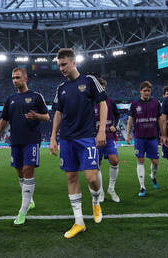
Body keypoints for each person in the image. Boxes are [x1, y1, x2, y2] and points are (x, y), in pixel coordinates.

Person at [50, 48, 107, 239]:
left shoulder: (89, 81)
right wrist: (53, 137)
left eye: (64, 64)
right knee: (71, 178)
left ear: (74, 63)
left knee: (91, 178)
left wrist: (101, 130)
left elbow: (103, 103)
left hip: (86, 137)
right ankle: (79, 222)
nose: (61, 68)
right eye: (59, 65)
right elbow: (57, 113)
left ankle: (96, 201)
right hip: (67, 139)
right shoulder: (61, 88)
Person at [0, 67, 49, 225]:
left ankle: (22, 211)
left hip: (31, 140)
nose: (15, 80)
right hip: (15, 141)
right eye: (13, 78)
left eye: (17, 77)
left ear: (25, 78)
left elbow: (47, 116)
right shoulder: (10, 99)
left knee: (28, 170)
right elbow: (3, 120)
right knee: (20, 173)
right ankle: (29, 201)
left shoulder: (36, 97)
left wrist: (36, 116)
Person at [126, 81, 161, 197]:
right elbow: (130, 119)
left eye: (149, 90)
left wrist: (163, 134)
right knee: (140, 160)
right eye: (145, 90)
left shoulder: (156, 103)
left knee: (155, 162)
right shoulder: (135, 104)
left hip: (153, 137)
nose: (147, 92)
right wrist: (128, 134)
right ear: (140, 91)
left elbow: (160, 119)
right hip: (139, 137)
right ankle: (142, 187)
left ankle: (152, 176)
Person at [95, 78, 120, 202]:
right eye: (100, 86)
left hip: (109, 136)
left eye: (103, 86)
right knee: (97, 164)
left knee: (114, 161)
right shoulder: (90, 102)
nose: (102, 88)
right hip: (95, 138)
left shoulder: (110, 101)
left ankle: (111, 188)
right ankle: (100, 191)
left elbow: (118, 115)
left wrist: (115, 125)